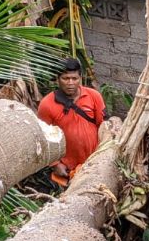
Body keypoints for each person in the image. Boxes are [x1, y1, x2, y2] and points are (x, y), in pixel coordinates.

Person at [37, 57, 105, 187]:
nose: (70, 83)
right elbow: (43, 138)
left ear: (80, 78)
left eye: (74, 79)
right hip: (67, 170)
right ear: (58, 79)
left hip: (94, 163)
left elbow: (102, 126)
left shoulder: (94, 96)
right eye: (65, 78)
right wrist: (55, 165)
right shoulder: (47, 104)